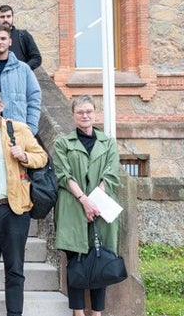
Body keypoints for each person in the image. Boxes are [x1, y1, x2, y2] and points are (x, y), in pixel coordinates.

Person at [0, 86, 48, 316]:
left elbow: (42, 157)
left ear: (1, 106)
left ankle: (14, 312)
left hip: (13, 209)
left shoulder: (19, 130)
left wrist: (24, 156)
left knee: (14, 268)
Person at [53, 95, 121, 316]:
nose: (85, 115)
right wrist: (84, 200)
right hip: (72, 206)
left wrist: (94, 200)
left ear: (95, 113)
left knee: (101, 259)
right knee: (76, 261)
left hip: (100, 208)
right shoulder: (63, 143)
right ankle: (78, 312)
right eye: (80, 112)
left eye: (89, 111)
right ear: (73, 115)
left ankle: (97, 312)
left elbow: (111, 174)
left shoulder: (108, 142)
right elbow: (63, 174)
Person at [0, 4, 42, 70]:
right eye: (2, 17)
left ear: (12, 18)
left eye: (8, 16)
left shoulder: (23, 35)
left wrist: (22, 69)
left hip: (20, 77)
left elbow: (37, 58)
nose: (5, 19)